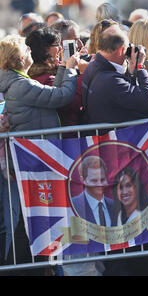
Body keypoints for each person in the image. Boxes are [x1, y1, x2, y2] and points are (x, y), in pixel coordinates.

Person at [0, 34, 79, 275]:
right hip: (33, 160)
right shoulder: (20, 84)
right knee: (30, 221)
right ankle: (19, 269)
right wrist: (71, 70)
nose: (29, 51)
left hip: (34, 157)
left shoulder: (19, 81)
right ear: (18, 57)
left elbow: (49, 93)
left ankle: (28, 267)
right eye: (25, 48)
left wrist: (65, 67)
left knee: (32, 219)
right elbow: (60, 96)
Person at [81, 24, 148, 127]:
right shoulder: (110, 80)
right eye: (127, 47)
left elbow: (122, 93)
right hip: (116, 138)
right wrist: (140, 66)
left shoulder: (93, 66)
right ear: (121, 50)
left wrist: (130, 71)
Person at [73, 156, 113, 226]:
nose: (99, 184)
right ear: (83, 180)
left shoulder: (115, 206)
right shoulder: (73, 205)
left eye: (102, 180)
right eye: (94, 180)